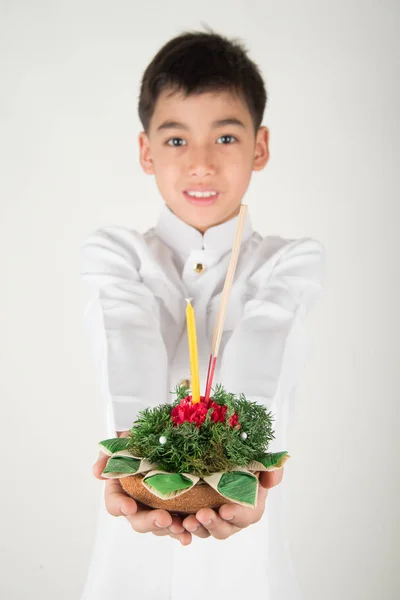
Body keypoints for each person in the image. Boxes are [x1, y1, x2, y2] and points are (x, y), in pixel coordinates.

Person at [80, 27, 326, 600]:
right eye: (174, 141)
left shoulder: (289, 262)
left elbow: (263, 346)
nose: (200, 164)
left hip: (248, 552)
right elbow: (128, 336)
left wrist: (237, 472)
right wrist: (135, 466)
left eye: (224, 137)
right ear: (145, 150)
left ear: (259, 147)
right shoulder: (119, 256)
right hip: (129, 552)